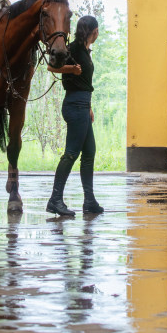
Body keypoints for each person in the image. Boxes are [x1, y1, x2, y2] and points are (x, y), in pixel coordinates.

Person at [45, 15, 104, 216]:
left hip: (82, 105)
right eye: (97, 31)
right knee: (71, 153)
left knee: (89, 152)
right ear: (93, 31)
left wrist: (89, 106)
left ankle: (89, 200)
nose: (97, 34)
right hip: (74, 105)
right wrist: (71, 69)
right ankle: (54, 200)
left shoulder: (86, 51)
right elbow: (51, 66)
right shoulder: (73, 48)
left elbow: (84, 82)